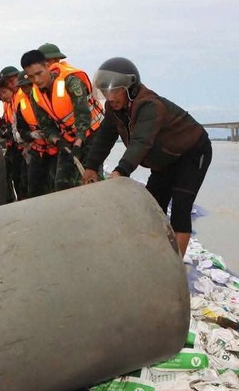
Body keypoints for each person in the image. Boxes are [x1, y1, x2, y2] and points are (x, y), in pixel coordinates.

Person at [83, 57, 212, 258]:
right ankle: (153, 256)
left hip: (192, 152)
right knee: (150, 207)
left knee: (181, 207)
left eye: (115, 91)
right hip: (165, 159)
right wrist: (91, 166)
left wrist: (121, 171)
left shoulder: (150, 105)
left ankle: (175, 267)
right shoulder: (113, 109)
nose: (111, 97)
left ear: (131, 88)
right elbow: (104, 138)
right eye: (106, 92)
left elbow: (141, 141)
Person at [20, 49, 104, 191]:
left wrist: (78, 143)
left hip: (92, 135)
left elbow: (83, 116)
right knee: (61, 185)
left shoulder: (71, 82)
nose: (37, 80)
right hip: (68, 141)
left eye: (39, 73)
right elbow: (45, 125)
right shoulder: (35, 94)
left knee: (89, 180)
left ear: (47, 66)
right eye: (31, 77)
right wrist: (57, 141)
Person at [14, 70, 58, 198]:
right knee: (33, 188)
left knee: (55, 186)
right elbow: (21, 130)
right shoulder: (21, 105)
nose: (27, 89)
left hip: (55, 150)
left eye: (29, 85)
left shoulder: (46, 97)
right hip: (37, 152)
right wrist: (31, 134)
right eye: (23, 87)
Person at [0, 66, 27, 200]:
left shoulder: (21, 97)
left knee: (25, 180)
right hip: (16, 146)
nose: (2, 96)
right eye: (0, 94)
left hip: (26, 146)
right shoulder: (10, 103)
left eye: (4, 92)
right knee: (17, 178)